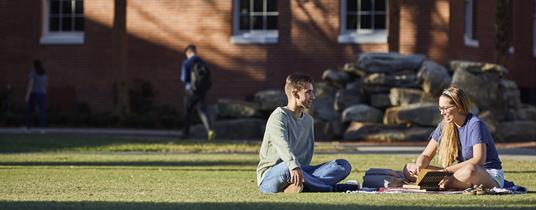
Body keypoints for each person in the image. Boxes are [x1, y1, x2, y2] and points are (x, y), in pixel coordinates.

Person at [257, 73, 354, 193]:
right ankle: (332, 188)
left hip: (300, 172)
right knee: (286, 168)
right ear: (295, 93)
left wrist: (300, 170)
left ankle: (299, 186)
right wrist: (294, 166)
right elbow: (282, 145)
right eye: (308, 92)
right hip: (272, 176)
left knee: (342, 165)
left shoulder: (308, 120)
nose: (313, 96)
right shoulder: (278, 117)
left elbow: (306, 157)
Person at [403, 87, 504, 190]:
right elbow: (426, 155)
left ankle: (442, 183)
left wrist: (445, 172)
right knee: (409, 168)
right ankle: (445, 182)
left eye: (445, 108)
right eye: (440, 109)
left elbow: (479, 160)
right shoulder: (445, 124)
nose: (442, 113)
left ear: (459, 107)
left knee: (470, 170)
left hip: (487, 173)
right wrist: (419, 166)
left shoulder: (475, 124)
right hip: (457, 172)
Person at [180, 44, 215, 141]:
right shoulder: (203, 62)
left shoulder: (187, 62)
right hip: (202, 91)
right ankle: (210, 130)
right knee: (203, 111)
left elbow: (184, 78)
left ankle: (186, 134)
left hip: (190, 91)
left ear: (188, 53)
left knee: (188, 112)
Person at [24, 60, 48, 133]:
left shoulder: (33, 72)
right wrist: (44, 91)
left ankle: (28, 128)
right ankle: (42, 129)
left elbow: (31, 84)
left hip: (34, 93)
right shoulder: (44, 73)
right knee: (42, 112)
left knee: (30, 111)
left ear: (34, 65)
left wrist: (27, 95)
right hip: (42, 94)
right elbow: (45, 84)